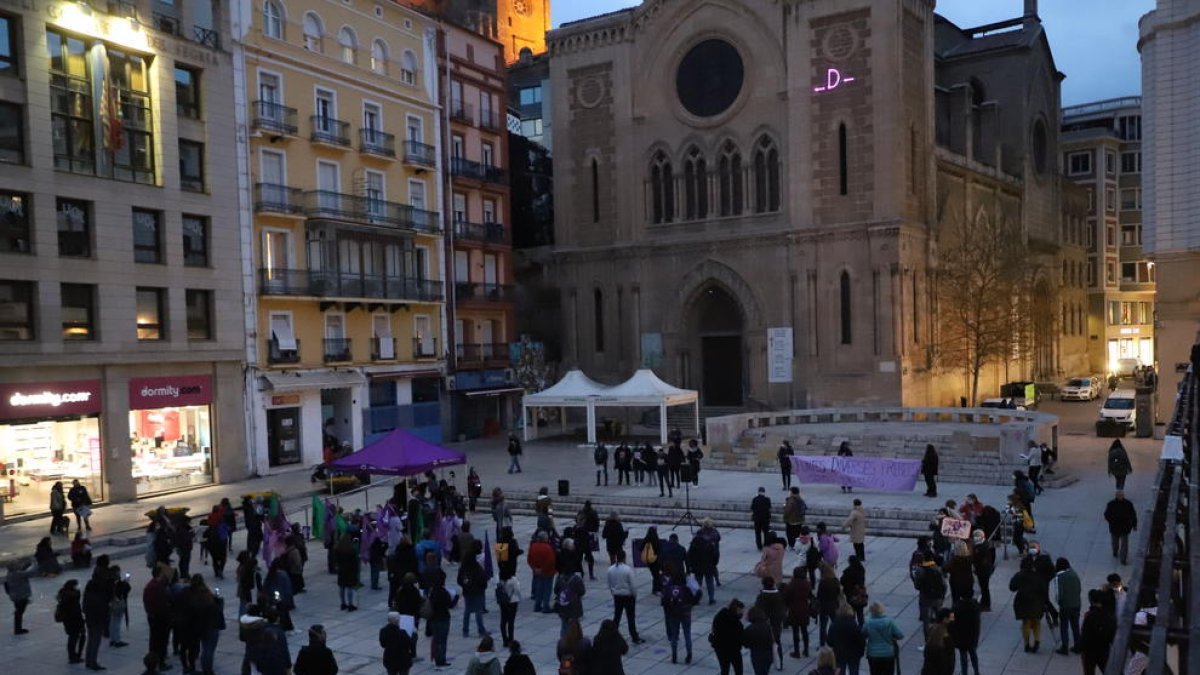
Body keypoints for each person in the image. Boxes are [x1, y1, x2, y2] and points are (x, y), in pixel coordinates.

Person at [1009, 556, 1045, 652]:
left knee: (1026, 623)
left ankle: (1027, 644)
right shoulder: (1038, 575)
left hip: (1023, 602)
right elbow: (1043, 589)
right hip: (1036, 602)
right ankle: (1037, 640)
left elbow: (1012, 587)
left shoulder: (1019, 575)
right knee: (1036, 622)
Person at [607, 549, 643, 643]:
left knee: (617, 616)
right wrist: (634, 594)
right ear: (624, 558)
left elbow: (609, 584)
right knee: (630, 617)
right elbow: (633, 585)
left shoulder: (611, 569)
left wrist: (613, 592)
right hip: (628, 596)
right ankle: (634, 636)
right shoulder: (628, 570)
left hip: (617, 595)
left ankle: (611, 635)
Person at [1080, 589, 1116, 675]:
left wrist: (1082, 648)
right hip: (1104, 649)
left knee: (1089, 672)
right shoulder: (1108, 615)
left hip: (1090, 651)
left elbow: (1084, 635)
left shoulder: (1089, 615)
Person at [458, 541, 490, 638]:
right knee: (478, 611)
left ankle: (465, 630)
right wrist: (483, 587)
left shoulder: (463, 568)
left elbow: (459, 580)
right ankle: (481, 630)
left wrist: (464, 586)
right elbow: (483, 580)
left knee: (467, 611)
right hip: (477, 592)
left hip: (467, 592)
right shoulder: (477, 568)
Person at [862, 602, 904, 675]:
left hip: (873, 654)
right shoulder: (889, 622)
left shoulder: (868, 623)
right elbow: (900, 635)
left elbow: (862, 635)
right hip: (888, 653)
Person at [754, 575, 785, 667]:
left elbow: (757, 610)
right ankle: (779, 663)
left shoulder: (761, 597)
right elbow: (782, 610)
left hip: (764, 624)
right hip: (776, 623)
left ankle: (766, 662)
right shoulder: (778, 595)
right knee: (777, 642)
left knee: (764, 644)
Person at [827, 603, 866, 675]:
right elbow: (861, 640)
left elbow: (829, 641)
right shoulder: (854, 625)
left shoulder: (834, 624)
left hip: (839, 653)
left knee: (840, 672)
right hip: (854, 654)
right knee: (854, 671)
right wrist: (861, 652)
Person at [1054, 557, 1082, 655]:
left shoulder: (1059, 577)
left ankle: (1064, 646)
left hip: (1065, 606)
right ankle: (1078, 645)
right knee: (1075, 625)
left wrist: (1059, 602)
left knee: (1064, 626)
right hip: (1076, 604)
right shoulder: (1074, 574)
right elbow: (1079, 588)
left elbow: (1059, 594)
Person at [428, 573, 457, 668]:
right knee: (443, 640)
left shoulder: (432, 592)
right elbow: (450, 605)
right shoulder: (443, 592)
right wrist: (456, 598)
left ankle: (437, 658)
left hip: (434, 618)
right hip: (443, 618)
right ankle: (442, 659)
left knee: (436, 639)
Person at [914, 551, 946, 636]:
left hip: (926, 598)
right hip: (938, 597)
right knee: (939, 618)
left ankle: (927, 641)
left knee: (926, 621)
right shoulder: (937, 568)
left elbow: (917, 586)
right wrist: (942, 596)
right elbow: (944, 584)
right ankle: (941, 636)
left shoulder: (920, 570)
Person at [782, 566, 812, 658]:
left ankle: (797, 651)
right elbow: (810, 596)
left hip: (794, 609)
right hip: (804, 609)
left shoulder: (792, 584)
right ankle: (806, 650)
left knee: (795, 631)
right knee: (804, 631)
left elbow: (786, 597)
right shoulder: (807, 583)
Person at [712, 599, 747, 675]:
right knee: (738, 670)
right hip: (733, 650)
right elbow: (741, 637)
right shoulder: (736, 623)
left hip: (720, 649)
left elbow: (714, 631)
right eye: (741, 611)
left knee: (724, 669)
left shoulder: (719, 616)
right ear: (737, 609)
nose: (743, 613)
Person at [688, 524, 719, 605]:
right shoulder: (709, 545)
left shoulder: (693, 545)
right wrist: (713, 564)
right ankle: (711, 599)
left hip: (697, 568)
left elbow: (689, 556)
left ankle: (697, 599)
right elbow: (715, 556)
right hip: (708, 567)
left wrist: (691, 566)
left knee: (697, 584)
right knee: (710, 583)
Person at [1104, 490, 1137, 565]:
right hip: (1114, 527)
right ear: (1116, 496)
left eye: (1121, 495)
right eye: (1119, 495)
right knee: (1115, 542)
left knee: (1124, 544)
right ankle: (1115, 551)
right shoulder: (1111, 504)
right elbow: (1106, 514)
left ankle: (1123, 559)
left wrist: (1134, 525)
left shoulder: (1128, 504)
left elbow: (1133, 515)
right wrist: (1111, 521)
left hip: (1125, 527)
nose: (1120, 497)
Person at [57, 578, 86, 664]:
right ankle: (73, 656)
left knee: (72, 637)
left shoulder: (63, 595)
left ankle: (72, 654)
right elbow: (76, 610)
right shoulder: (73, 597)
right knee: (74, 637)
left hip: (68, 620)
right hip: (74, 620)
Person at [949, 595, 980, 675]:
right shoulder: (974, 606)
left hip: (961, 635)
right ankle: (976, 671)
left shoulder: (956, 606)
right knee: (973, 653)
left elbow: (951, 620)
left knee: (963, 655)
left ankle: (964, 672)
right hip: (972, 635)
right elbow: (977, 622)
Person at [527, 531, 556, 613]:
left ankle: (537, 605)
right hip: (548, 572)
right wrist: (543, 569)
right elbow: (551, 561)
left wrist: (534, 568)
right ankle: (546, 606)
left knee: (539, 588)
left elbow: (529, 559)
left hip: (537, 571)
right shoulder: (548, 548)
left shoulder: (533, 546)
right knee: (547, 589)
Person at [743, 606, 776, 675]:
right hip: (768, 653)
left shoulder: (749, 629)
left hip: (757, 654)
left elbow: (745, 644)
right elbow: (772, 640)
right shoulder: (767, 626)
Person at [922, 608, 956, 675]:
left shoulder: (932, 630)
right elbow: (950, 657)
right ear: (945, 619)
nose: (952, 620)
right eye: (950, 618)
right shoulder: (946, 636)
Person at [815, 563, 841, 646]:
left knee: (823, 627)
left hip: (824, 607)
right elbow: (838, 593)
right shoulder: (835, 581)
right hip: (834, 606)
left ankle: (822, 643)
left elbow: (819, 596)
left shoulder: (823, 582)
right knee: (835, 624)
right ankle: (835, 641)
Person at [5, 560, 33, 635]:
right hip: (21, 596)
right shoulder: (18, 574)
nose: (19, 565)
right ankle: (18, 629)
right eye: (17, 564)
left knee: (19, 611)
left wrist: (27, 564)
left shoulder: (10, 574)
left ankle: (18, 628)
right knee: (19, 612)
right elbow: (30, 573)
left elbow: (22, 570)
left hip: (15, 596)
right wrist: (35, 564)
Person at [970, 530, 995, 611]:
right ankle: (983, 603)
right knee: (983, 587)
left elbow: (980, 559)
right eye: (975, 536)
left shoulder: (983, 546)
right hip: (981, 570)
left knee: (985, 588)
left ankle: (986, 604)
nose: (975, 537)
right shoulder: (979, 545)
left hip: (984, 570)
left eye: (977, 536)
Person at [494, 570, 520, 648]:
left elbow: (496, 588)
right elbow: (517, 590)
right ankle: (511, 639)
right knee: (511, 621)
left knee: (503, 620)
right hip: (513, 601)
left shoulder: (498, 578)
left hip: (503, 601)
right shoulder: (513, 579)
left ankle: (504, 640)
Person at [841, 555, 868, 626]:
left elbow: (842, 581)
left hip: (850, 595)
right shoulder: (861, 569)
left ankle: (852, 628)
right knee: (860, 614)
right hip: (860, 594)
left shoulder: (848, 571)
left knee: (851, 613)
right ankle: (861, 629)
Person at [641, 526, 663, 594]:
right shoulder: (655, 539)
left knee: (655, 575)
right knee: (656, 575)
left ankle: (656, 589)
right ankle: (656, 589)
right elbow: (658, 550)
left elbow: (640, 547)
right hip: (655, 560)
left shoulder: (646, 538)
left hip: (649, 561)